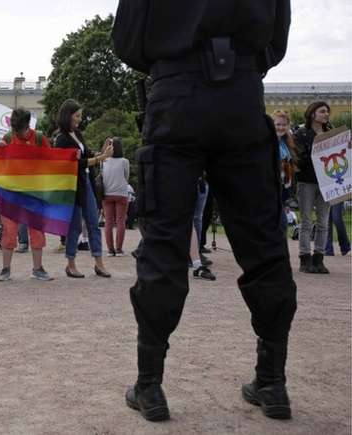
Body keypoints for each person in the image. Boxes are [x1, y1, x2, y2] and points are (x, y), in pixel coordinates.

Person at [113, 0, 296, 422]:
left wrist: (175, 54)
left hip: (176, 94)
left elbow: (127, 41)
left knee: (163, 244)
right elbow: (278, 38)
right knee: (264, 242)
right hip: (242, 96)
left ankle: (150, 385)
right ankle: (271, 382)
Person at [54, 99, 112, 278]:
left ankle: (99, 263)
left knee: (94, 222)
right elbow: (74, 164)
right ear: (67, 115)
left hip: (85, 181)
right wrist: (101, 158)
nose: (79, 119)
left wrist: (100, 152)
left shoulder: (77, 134)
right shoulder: (61, 138)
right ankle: (71, 263)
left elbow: (86, 154)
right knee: (75, 226)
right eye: (77, 116)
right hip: (72, 186)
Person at [0, 108, 53, 281]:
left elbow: (52, 160)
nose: (16, 133)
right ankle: (5, 269)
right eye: (14, 129)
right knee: (9, 231)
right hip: (10, 193)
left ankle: (38, 269)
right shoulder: (7, 138)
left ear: (28, 125)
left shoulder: (40, 138)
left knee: (36, 230)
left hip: (34, 193)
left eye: (18, 129)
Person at [295, 101, 332, 273]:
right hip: (307, 181)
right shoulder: (302, 133)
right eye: (322, 111)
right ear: (312, 114)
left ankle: (319, 257)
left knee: (323, 222)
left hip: (327, 181)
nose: (326, 114)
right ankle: (305, 258)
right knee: (306, 221)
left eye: (327, 112)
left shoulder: (332, 133)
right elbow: (299, 158)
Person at [102, 137, 130, 257]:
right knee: (120, 221)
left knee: (108, 222)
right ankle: (119, 249)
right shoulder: (125, 161)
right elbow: (126, 177)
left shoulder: (104, 161)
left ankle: (110, 250)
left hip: (107, 194)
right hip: (121, 193)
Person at [272, 110, 300, 229]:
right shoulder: (267, 141)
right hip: (270, 185)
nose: (281, 127)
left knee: (281, 222)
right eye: (278, 124)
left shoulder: (286, 142)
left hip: (283, 186)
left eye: (284, 124)